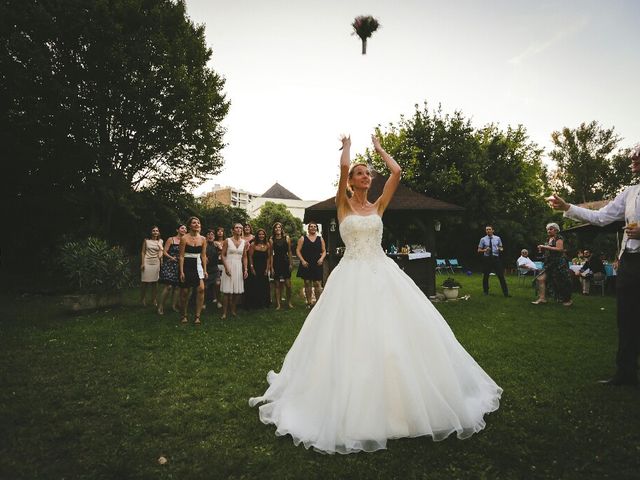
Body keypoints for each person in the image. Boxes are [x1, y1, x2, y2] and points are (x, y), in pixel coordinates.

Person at [249, 134, 502, 454]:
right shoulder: (342, 204)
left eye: (368, 172)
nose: (365, 175)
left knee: (396, 333)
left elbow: (396, 174)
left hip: (382, 273)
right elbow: (342, 169)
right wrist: (348, 150)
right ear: (352, 181)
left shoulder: (379, 205)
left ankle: (401, 403)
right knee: (350, 335)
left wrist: (381, 150)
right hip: (351, 276)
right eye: (360, 172)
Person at [547, 144, 640, 386]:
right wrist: (568, 207)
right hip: (630, 262)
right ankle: (625, 373)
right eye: (633, 157)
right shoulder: (630, 193)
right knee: (626, 318)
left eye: (638, 157)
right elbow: (601, 217)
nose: (634, 160)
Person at [531, 223, 573, 306]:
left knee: (561, 282)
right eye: (548, 229)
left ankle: (567, 300)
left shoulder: (559, 238)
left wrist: (545, 247)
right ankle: (542, 298)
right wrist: (543, 249)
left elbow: (560, 249)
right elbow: (549, 250)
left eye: (551, 229)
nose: (549, 231)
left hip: (559, 263)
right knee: (540, 279)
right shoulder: (548, 239)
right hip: (550, 263)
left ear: (556, 230)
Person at [178, 217, 207, 325]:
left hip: (197, 264)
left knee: (201, 289)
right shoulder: (184, 238)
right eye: (194, 223)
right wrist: (181, 271)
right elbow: (181, 256)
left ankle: (197, 316)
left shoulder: (203, 239)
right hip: (186, 264)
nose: (197, 224)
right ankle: (183, 314)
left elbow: (203, 255)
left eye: (198, 222)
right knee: (185, 292)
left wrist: (205, 270)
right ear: (190, 225)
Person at [220, 223, 248, 319]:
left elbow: (244, 256)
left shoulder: (244, 242)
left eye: (241, 228)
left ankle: (233, 310)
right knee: (227, 291)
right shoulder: (227, 240)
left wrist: (246, 269)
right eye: (237, 227)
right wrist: (226, 267)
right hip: (229, 264)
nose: (239, 229)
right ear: (233, 230)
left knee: (236, 291)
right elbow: (223, 255)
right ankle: (224, 313)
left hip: (238, 266)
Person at [296, 221, 326, 308]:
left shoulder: (320, 239)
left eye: (315, 227)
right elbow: (298, 250)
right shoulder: (303, 238)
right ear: (308, 229)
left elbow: (324, 251)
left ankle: (318, 303)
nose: (313, 228)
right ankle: (309, 302)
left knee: (317, 283)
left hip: (317, 263)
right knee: (307, 282)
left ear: (317, 229)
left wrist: (321, 258)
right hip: (306, 263)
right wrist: (302, 260)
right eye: (311, 226)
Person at [157, 224, 186, 315]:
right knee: (168, 286)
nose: (184, 229)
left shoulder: (185, 240)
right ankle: (160, 306)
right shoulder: (171, 239)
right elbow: (164, 251)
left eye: (185, 228)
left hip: (180, 265)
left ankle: (173, 306)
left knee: (177, 287)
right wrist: (171, 257)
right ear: (177, 230)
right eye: (182, 228)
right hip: (170, 264)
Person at [477, 226, 510, 297]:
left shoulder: (497, 238)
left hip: (495, 259)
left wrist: (500, 249)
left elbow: (501, 247)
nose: (488, 231)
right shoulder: (483, 239)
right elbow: (479, 250)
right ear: (485, 231)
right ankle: (485, 292)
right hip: (487, 259)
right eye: (487, 230)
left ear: (493, 230)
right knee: (486, 276)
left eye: (489, 229)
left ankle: (506, 293)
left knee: (501, 276)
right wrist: (485, 250)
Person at [270, 222, 294, 309]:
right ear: (274, 229)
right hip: (276, 261)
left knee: (288, 285)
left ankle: (289, 302)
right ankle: (278, 304)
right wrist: (271, 267)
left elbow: (290, 251)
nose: (277, 229)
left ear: (281, 228)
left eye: (279, 227)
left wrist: (291, 263)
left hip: (285, 261)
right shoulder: (271, 239)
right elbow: (270, 254)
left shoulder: (287, 238)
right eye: (276, 228)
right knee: (277, 285)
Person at [246, 228, 271, 309]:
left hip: (264, 267)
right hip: (255, 267)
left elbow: (268, 258)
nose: (261, 236)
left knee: (264, 285)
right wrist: (252, 267)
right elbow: (250, 256)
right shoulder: (253, 244)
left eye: (263, 234)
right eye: (260, 234)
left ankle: (264, 303)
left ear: (265, 235)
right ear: (257, 235)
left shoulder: (268, 245)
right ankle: (255, 303)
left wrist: (267, 269)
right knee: (255, 285)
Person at [140, 226, 163, 306]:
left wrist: (161, 260)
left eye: (157, 231)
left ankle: (154, 299)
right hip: (147, 261)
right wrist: (142, 263)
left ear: (159, 232)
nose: (155, 232)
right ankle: (142, 299)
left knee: (155, 282)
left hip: (156, 262)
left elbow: (161, 252)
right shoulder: (146, 241)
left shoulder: (160, 241)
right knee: (144, 282)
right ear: (151, 232)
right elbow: (143, 252)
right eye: (153, 231)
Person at [204, 228, 218, 308]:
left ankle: (217, 300)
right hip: (205, 268)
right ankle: (203, 302)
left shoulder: (216, 245)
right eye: (208, 234)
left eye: (212, 234)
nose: (210, 236)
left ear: (214, 236)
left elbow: (223, 252)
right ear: (206, 236)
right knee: (205, 287)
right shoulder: (203, 244)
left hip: (214, 268)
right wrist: (204, 257)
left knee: (217, 283)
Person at [213, 227, 226, 308]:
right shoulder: (213, 242)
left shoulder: (226, 241)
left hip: (224, 264)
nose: (220, 232)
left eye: (222, 231)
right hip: (216, 263)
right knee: (217, 282)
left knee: (224, 282)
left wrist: (221, 249)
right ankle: (217, 299)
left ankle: (223, 298)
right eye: (218, 231)